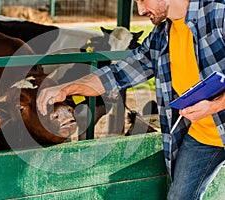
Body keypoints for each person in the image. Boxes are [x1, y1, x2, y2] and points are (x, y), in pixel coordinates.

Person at [37, 0, 225, 199]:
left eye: (142, 0)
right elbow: (117, 74)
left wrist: (213, 105)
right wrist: (66, 88)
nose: (141, 10)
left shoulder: (219, 15)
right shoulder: (161, 36)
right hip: (203, 136)